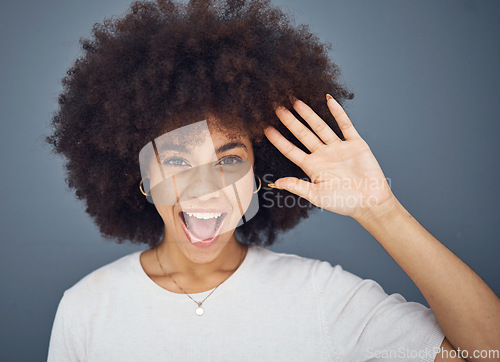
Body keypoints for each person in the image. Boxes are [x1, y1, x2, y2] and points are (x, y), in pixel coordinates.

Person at [46, 0, 499, 361]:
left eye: (228, 162)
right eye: (179, 161)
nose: (205, 187)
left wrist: (381, 211)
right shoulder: (87, 309)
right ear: (143, 175)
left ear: (260, 174)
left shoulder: (321, 298)